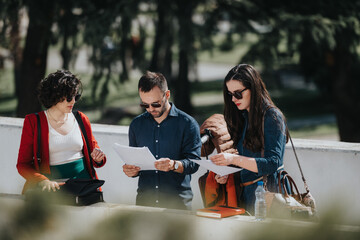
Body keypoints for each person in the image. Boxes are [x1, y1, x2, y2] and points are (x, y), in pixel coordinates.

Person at [208, 64, 288, 213]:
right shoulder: (244, 117)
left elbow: (272, 163)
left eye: (238, 93)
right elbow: (249, 159)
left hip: (270, 196)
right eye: (230, 94)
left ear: (253, 88)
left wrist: (232, 159)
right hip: (249, 196)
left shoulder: (272, 116)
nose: (233, 99)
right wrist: (226, 172)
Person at [17, 70, 106, 194]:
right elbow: (23, 165)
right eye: (69, 97)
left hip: (84, 187)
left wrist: (98, 157)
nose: (73, 101)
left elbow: (95, 154)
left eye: (76, 96)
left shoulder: (81, 118)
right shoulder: (33, 122)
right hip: (52, 189)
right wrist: (43, 181)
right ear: (55, 95)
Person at [122, 71, 201, 210]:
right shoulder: (136, 125)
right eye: (145, 105)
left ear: (167, 95)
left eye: (155, 104)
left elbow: (194, 164)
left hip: (177, 205)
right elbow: (135, 163)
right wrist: (132, 171)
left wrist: (173, 165)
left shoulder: (188, 124)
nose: (150, 109)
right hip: (144, 204)